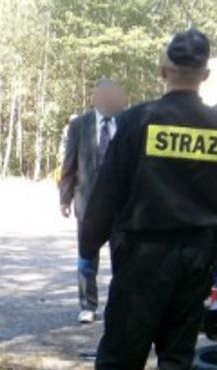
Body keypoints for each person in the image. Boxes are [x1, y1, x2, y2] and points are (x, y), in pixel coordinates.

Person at [69, 28, 217, 370]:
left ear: (163, 71)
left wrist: (88, 248)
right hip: (195, 259)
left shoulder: (137, 121)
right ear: (204, 75)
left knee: (125, 343)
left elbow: (107, 192)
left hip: (143, 256)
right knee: (177, 348)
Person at [59, 78, 127, 324]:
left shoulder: (128, 121)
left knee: (123, 258)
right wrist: (64, 197)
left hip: (121, 205)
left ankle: (120, 305)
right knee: (87, 256)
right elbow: (69, 161)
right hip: (87, 203)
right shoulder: (80, 124)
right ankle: (87, 305)